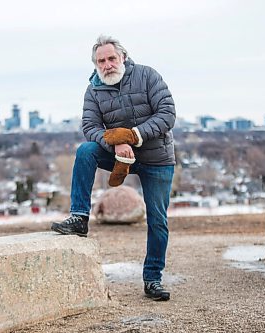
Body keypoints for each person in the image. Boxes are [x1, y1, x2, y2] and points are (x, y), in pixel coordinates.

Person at [51, 35, 176, 301]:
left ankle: (153, 279)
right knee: (85, 151)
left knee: (157, 220)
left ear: (123, 58)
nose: (106, 65)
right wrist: (116, 144)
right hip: (119, 155)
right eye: (101, 61)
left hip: (156, 157)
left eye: (111, 58)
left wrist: (133, 135)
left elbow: (167, 114)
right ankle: (79, 218)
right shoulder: (93, 90)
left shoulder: (147, 76)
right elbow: (90, 127)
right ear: (95, 65)